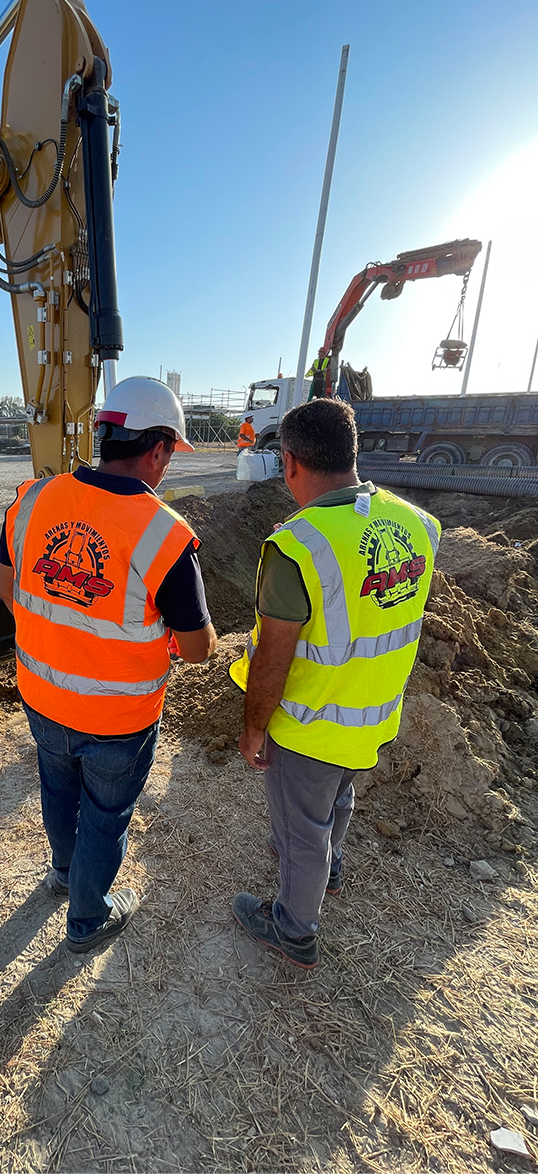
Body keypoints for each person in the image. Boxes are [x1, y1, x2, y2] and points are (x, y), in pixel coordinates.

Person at [0, 377, 217, 953]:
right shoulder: (165, 535)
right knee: (105, 814)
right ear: (159, 448)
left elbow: (8, 588)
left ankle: (64, 875)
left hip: (41, 697)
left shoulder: (33, 499)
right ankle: (87, 919)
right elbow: (196, 648)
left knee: (57, 786)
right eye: (171, 454)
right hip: (120, 719)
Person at [228, 398, 440, 969]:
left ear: (291, 462)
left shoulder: (298, 546)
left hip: (311, 725)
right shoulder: (417, 524)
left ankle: (293, 929)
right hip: (372, 714)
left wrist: (253, 728)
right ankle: (332, 866)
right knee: (337, 798)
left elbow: (273, 659)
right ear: (352, 451)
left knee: (300, 830)